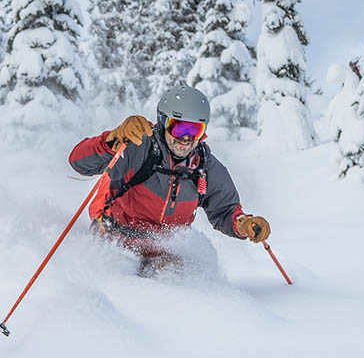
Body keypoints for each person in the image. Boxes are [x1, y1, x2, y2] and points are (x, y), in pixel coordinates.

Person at [68, 84, 271, 272]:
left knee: (177, 274)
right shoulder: (138, 146)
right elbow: (79, 163)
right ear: (163, 122)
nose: (186, 139)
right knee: (121, 274)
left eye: (195, 130)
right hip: (115, 239)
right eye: (179, 128)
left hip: (160, 251)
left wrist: (243, 224)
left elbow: (225, 210)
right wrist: (112, 140)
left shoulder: (204, 166)